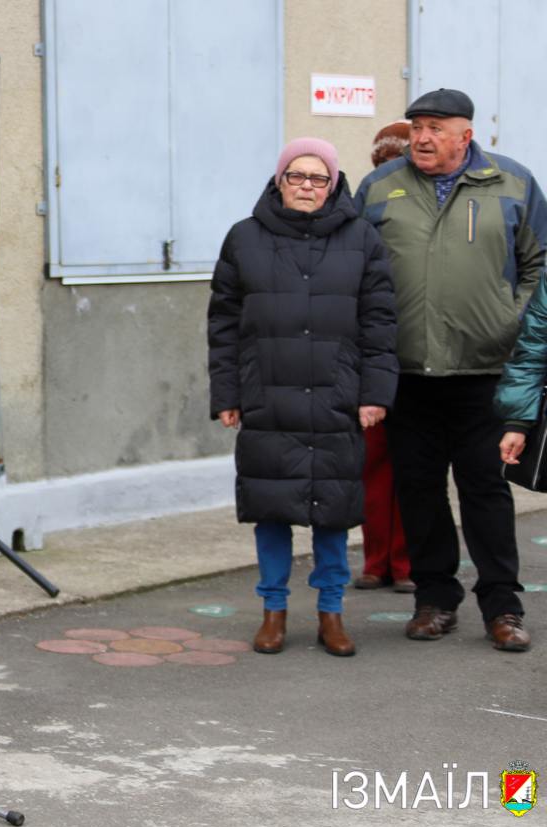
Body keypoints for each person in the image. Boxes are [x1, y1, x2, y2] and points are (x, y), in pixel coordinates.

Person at [355, 88, 543, 651]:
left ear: (466, 133)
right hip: (408, 371)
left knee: (486, 490)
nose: (422, 137)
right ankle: (434, 600)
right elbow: (356, 266)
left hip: (486, 370)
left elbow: (538, 261)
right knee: (418, 490)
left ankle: (503, 608)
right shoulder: (380, 187)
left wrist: (513, 316)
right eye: (416, 127)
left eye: (435, 127)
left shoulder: (512, 183)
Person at [208, 137, 397, 657]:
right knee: (271, 508)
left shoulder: (362, 238)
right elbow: (223, 323)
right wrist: (227, 392)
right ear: (279, 181)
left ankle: (331, 613)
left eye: (318, 178)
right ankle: (273, 611)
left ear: (333, 184)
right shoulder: (244, 238)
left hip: (337, 395)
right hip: (266, 394)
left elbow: (380, 323)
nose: (307, 187)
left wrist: (375, 393)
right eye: (297, 176)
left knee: (331, 511)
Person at [354, 119, 414, 594]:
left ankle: (404, 561)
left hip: (415, 354)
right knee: (373, 463)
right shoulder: (368, 201)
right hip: (370, 352)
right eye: (383, 160)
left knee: (412, 464)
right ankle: (379, 560)